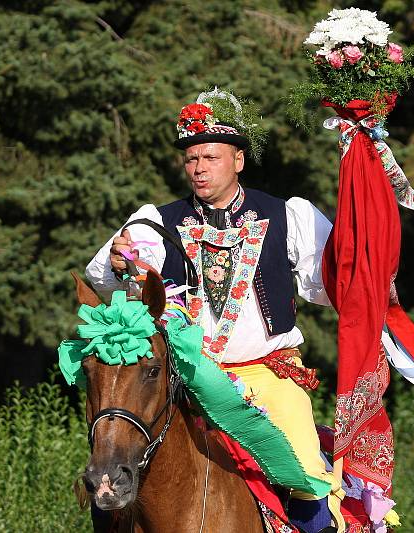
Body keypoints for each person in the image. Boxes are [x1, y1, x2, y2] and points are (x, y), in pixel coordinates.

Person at [86, 88, 343, 533]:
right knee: (112, 455)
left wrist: (364, 264)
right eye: (191, 159)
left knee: (304, 464)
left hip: (269, 373)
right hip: (187, 376)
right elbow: (105, 276)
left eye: (210, 157)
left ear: (238, 160)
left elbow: (332, 285)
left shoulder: (288, 215)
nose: (199, 168)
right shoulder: (157, 221)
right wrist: (118, 261)